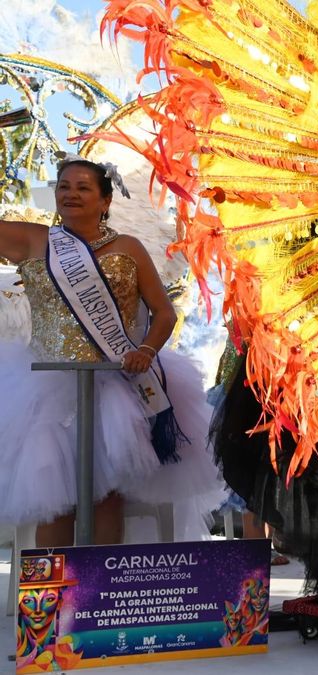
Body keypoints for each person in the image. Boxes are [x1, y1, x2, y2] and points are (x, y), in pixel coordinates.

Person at [0, 158, 223, 546]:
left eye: (83, 188)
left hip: (116, 386)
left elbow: (164, 312)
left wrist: (147, 350)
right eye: (64, 187)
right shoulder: (33, 240)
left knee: (106, 496)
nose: (70, 194)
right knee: (55, 498)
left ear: (105, 201)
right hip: (44, 388)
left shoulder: (128, 247)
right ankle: (51, 602)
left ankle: (99, 597)